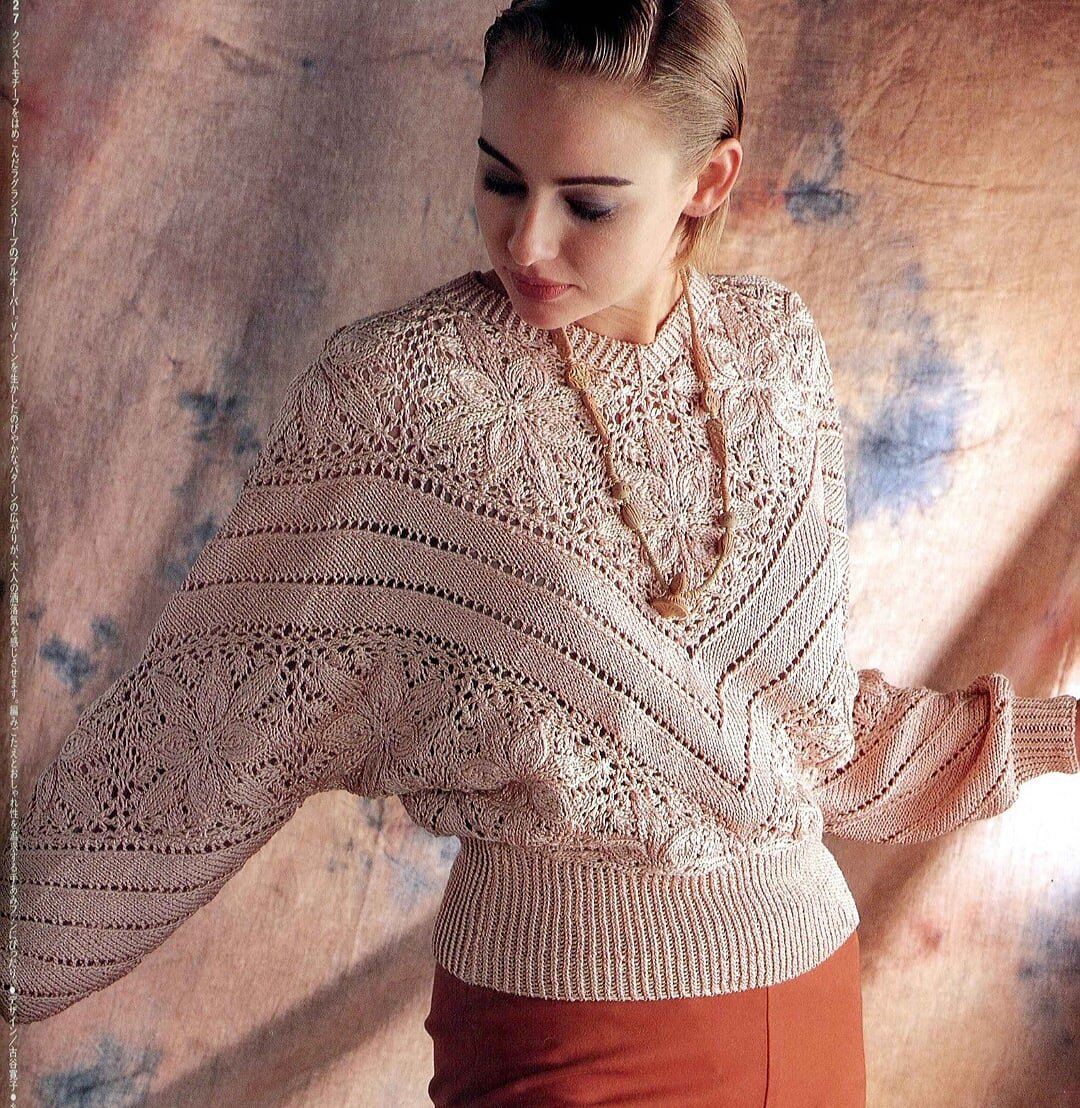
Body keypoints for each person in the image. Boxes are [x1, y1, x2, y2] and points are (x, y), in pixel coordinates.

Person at [4, 2, 1077, 1105]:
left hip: (805, 997)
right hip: (559, 1029)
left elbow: (807, 745)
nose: (525, 241)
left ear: (708, 181)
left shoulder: (777, 355)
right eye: (501, 179)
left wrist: (1055, 734)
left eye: (587, 203)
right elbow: (206, 735)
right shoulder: (401, 398)